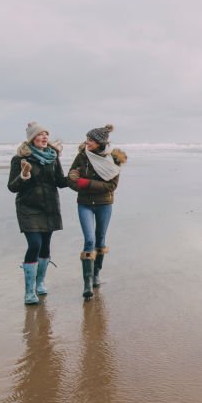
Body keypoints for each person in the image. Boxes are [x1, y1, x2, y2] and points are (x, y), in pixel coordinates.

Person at [7, 121, 68, 305]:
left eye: (46, 134)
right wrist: (24, 176)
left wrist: (75, 177)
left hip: (48, 207)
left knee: (45, 246)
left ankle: (40, 282)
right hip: (28, 207)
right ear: (32, 139)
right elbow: (12, 186)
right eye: (40, 135)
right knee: (34, 244)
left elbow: (59, 181)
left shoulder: (53, 156)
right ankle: (29, 292)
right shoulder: (20, 160)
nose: (44, 137)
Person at [68, 124, 127, 300]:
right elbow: (70, 180)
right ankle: (87, 284)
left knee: (100, 240)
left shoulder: (114, 160)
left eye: (91, 140)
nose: (87, 142)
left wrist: (85, 183)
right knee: (89, 240)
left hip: (104, 204)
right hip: (84, 203)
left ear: (100, 142)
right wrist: (77, 182)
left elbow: (112, 185)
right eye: (87, 139)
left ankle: (96, 275)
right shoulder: (82, 156)